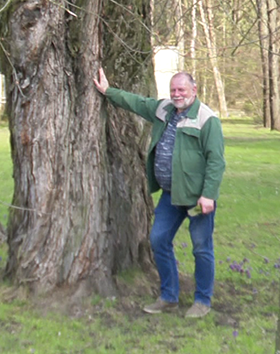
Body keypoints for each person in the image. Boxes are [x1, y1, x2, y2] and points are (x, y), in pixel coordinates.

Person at [93, 68, 225, 319]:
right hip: (170, 195)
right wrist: (108, 91)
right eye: (173, 89)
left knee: (201, 248)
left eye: (182, 90)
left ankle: (202, 300)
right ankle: (168, 297)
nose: (177, 94)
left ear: (194, 91)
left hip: (196, 198)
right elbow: (137, 103)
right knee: (158, 240)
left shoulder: (207, 120)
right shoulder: (164, 109)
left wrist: (208, 194)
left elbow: (216, 161)